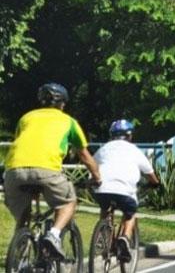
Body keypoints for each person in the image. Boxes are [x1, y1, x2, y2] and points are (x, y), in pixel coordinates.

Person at [3, 83, 102, 259]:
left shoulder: (26, 118)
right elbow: (85, 155)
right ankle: (54, 235)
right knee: (68, 202)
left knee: (23, 218)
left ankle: (19, 257)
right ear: (63, 104)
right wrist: (97, 177)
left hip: (13, 171)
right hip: (46, 170)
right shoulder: (69, 122)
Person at [93, 119, 160, 261]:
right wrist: (155, 183)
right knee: (130, 212)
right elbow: (149, 172)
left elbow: (93, 164)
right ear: (130, 136)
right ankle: (125, 237)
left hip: (103, 189)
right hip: (125, 192)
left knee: (105, 208)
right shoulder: (135, 150)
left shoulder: (104, 148)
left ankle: (104, 237)